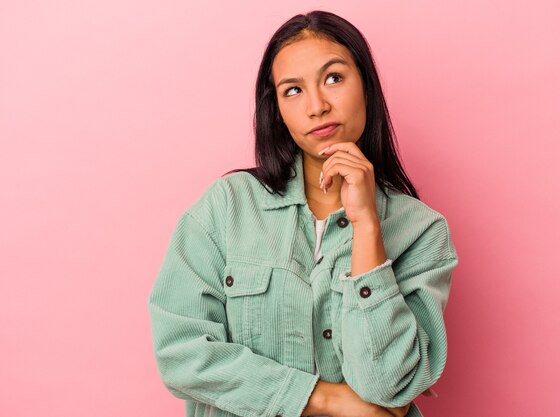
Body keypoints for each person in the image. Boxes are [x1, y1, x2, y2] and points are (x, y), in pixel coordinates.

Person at [148, 10, 459, 417]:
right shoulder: (226, 207)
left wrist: (366, 226)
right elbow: (181, 354)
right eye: (293, 90)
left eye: (334, 78)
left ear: (365, 86)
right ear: (276, 108)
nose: (317, 106)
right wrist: (325, 399)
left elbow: (386, 385)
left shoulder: (422, 232)